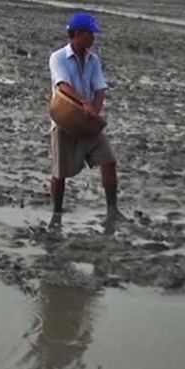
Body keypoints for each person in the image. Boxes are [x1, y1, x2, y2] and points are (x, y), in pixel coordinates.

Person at [47, 11, 119, 217]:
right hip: (66, 119)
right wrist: (84, 103)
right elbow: (63, 86)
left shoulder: (93, 60)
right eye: (90, 34)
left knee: (109, 160)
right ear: (78, 34)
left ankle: (112, 209)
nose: (93, 38)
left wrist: (94, 112)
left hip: (87, 120)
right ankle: (57, 211)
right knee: (60, 172)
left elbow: (99, 89)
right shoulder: (58, 57)